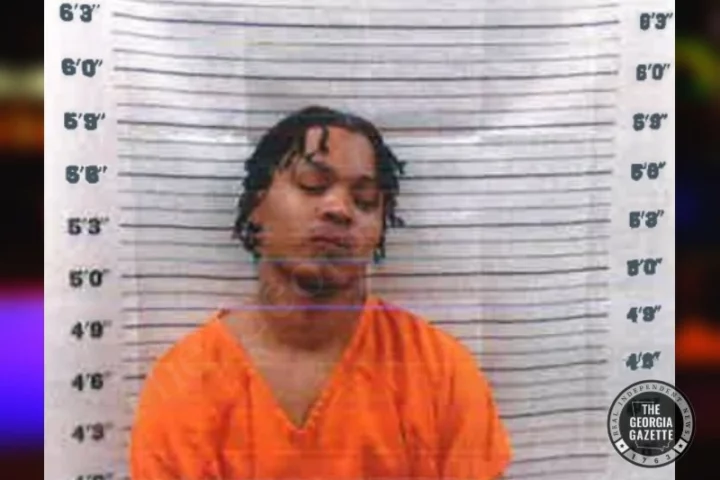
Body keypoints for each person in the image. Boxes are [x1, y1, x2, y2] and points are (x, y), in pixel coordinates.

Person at [129, 106, 512, 479]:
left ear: (380, 229)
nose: (339, 209)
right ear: (256, 204)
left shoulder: (437, 372)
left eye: (364, 200)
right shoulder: (187, 382)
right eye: (313, 184)